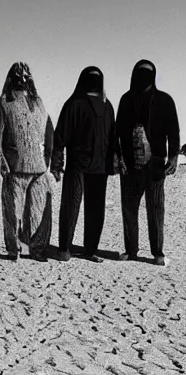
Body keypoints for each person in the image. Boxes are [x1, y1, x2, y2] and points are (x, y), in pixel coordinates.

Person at [115, 59, 180, 266]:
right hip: (130, 164)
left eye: (147, 73)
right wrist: (119, 158)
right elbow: (116, 133)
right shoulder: (126, 100)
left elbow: (174, 131)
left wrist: (173, 157)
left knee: (155, 209)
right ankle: (131, 250)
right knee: (129, 209)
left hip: (156, 164)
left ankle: (157, 252)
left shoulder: (164, 100)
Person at [51, 66, 118, 263]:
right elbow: (113, 138)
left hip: (78, 163)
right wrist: (113, 163)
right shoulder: (108, 106)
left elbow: (60, 136)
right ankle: (90, 250)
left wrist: (56, 164)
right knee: (95, 209)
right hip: (100, 165)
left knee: (71, 205)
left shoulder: (74, 103)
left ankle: (65, 250)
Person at [0, 62, 54, 262]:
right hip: (14, 167)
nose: (22, 79)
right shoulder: (4, 102)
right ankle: (13, 248)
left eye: (25, 75)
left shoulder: (38, 102)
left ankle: (37, 249)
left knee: (38, 210)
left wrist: (48, 158)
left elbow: (49, 130)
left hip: (38, 168)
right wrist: (0, 161)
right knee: (13, 210)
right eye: (18, 75)